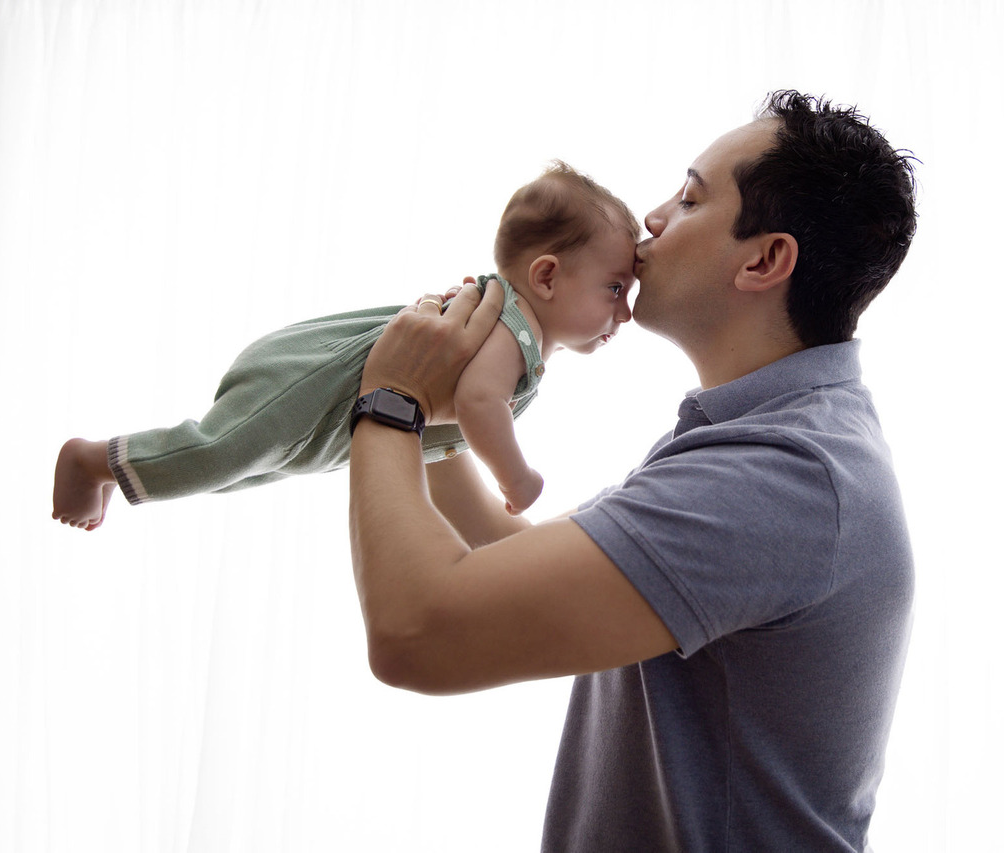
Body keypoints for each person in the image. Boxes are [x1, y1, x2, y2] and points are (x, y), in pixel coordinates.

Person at [348, 91, 919, 852]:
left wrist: (390, 398)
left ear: (764, 260)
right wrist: (441, 423)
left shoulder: (780, 477)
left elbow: (414, 632)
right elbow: (508, 561)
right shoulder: (767, 437)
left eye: (689, 197)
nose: (651, 218)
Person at [50, 162, 638, 530]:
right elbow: (481, 406)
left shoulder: (511, 330)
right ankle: (94, 459)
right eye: (614, 288)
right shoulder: (513, 330)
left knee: (251, 470)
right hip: (310, 379)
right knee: (220, 453)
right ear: (546, 276)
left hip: (329, 419)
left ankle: (117, 466)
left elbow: (444, 430)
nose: (625, 311)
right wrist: (516, 478)